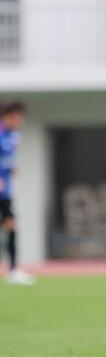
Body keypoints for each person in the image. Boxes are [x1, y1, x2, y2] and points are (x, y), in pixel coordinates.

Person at [1, 102, 33, 285]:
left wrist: (11, 168)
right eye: (18, 117)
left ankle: (13, 270)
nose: (20, 121)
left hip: (5, 191)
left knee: (11, 225)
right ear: (9, 116)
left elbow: (6, 160)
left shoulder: (13, 135)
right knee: (10, 225)